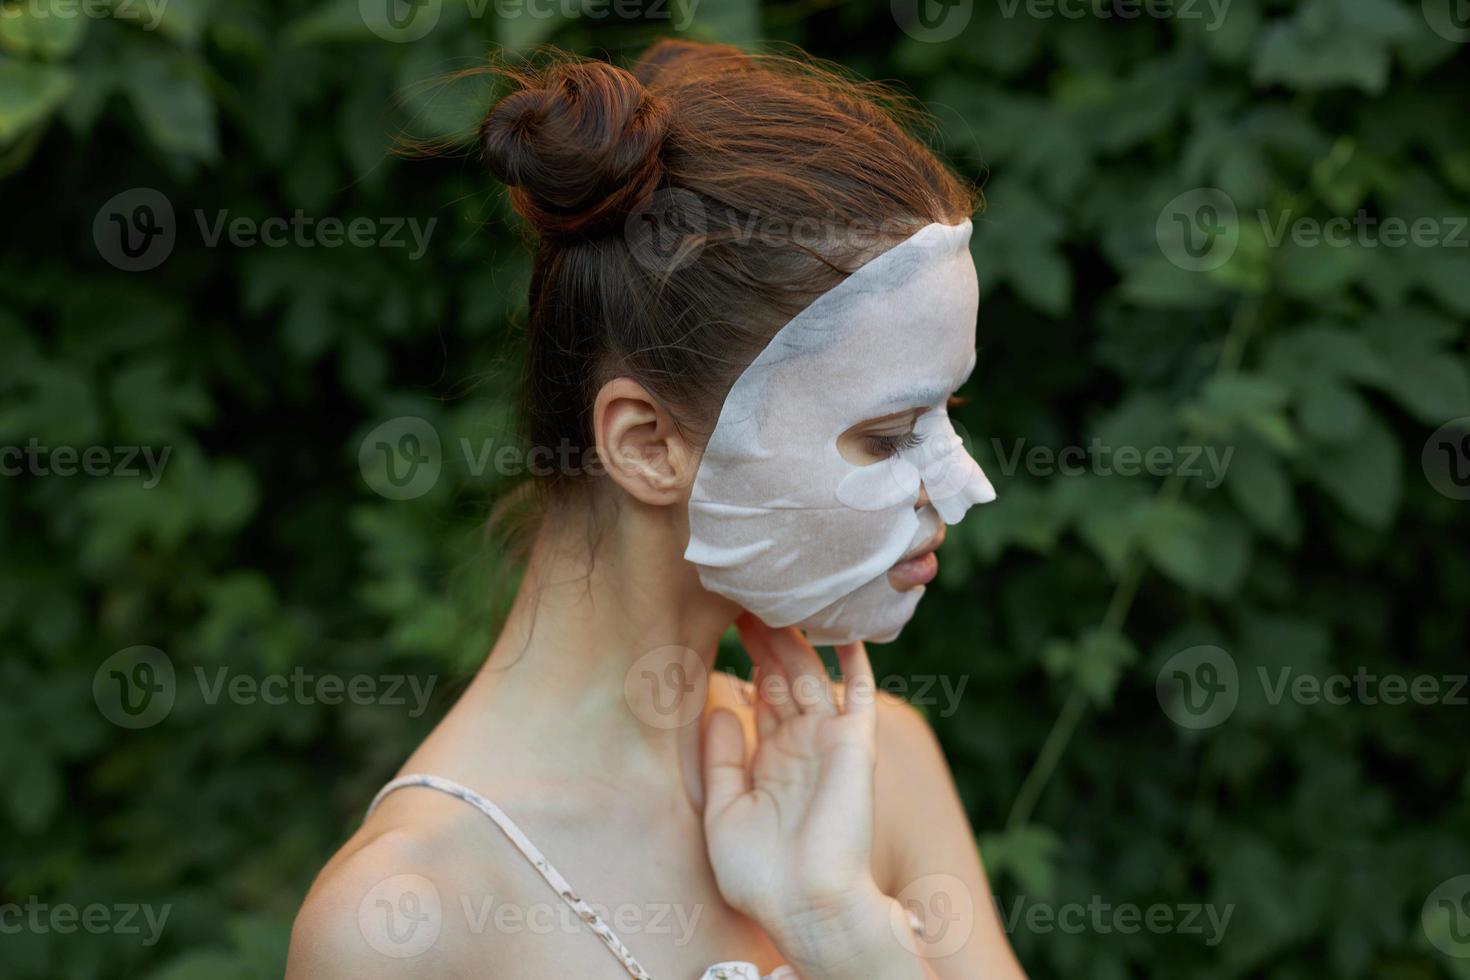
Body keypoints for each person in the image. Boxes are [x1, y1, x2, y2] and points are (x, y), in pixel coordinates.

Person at [288, 38, 1027, 980]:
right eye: (887, 435)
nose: (965, 486)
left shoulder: (876, 771)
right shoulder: (407, 921)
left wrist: (844, 932)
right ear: (645, 444)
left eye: (946, 415)